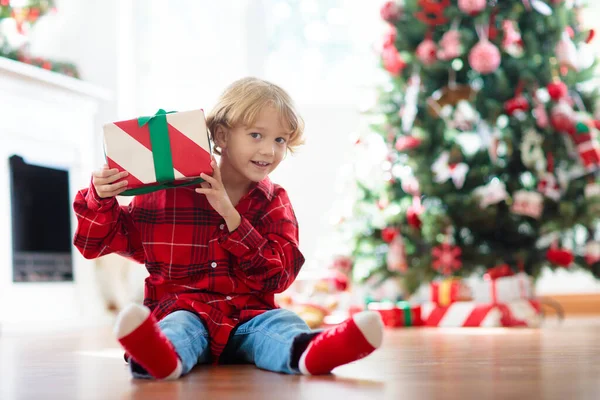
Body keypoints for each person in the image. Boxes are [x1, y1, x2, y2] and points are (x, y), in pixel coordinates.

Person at [73, 77, 383, 380]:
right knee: (177, 327)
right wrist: (100, 198)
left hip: (250, 320)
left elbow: (278, 275)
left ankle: (310, 354)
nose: (269, 151)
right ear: (221, 136)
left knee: (283, 324)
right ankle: (158, 360)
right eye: (256, 135)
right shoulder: (166, 193)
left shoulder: (274, 201)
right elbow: (96, 244)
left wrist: (231, 215)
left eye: (280, 140)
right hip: (184, 313)